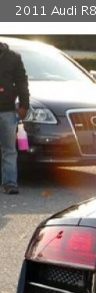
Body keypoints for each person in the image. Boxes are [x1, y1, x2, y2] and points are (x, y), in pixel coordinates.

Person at [0, 42, 29, 195]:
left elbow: (22, 81)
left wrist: (24, 105)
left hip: (7, 110)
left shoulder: (13, 57)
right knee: (9, 150)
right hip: (7, 111)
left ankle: (10, 183)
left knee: (9, 150)